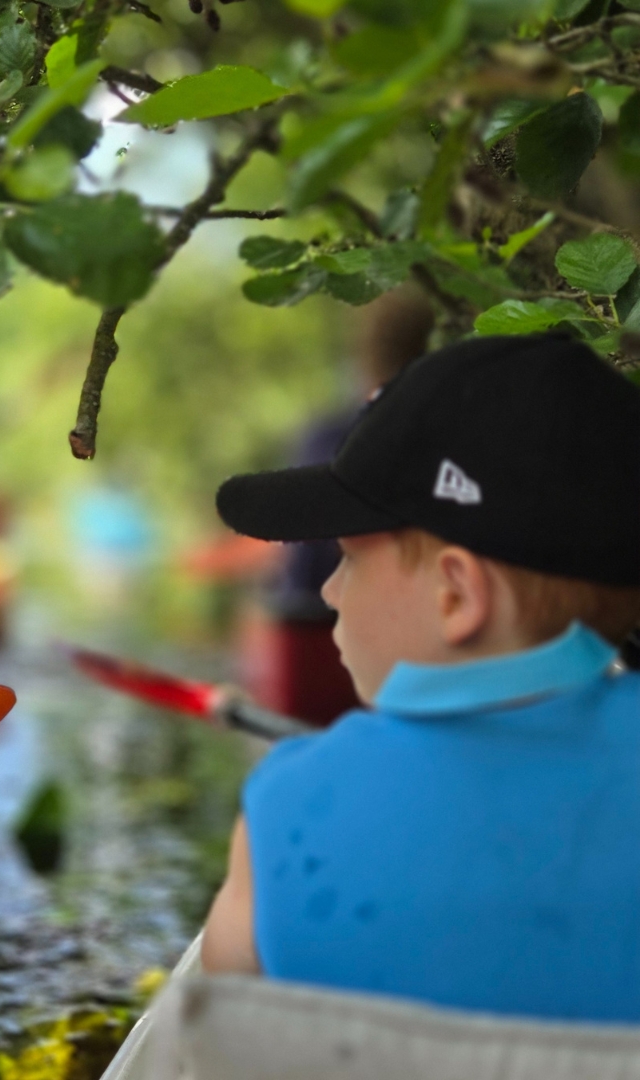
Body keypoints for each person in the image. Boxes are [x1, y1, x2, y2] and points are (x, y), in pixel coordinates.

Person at [200, 333, 640, 1022]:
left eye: (350, 558)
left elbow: (215, 1032)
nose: (329, 592)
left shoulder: (284, 808)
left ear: (455, 595)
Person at [250, 287, 436, 725]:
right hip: (416, 646)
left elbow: (296, 560)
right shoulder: (448, 435)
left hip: (314, 641)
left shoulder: (323, 438)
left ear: (363, 354)